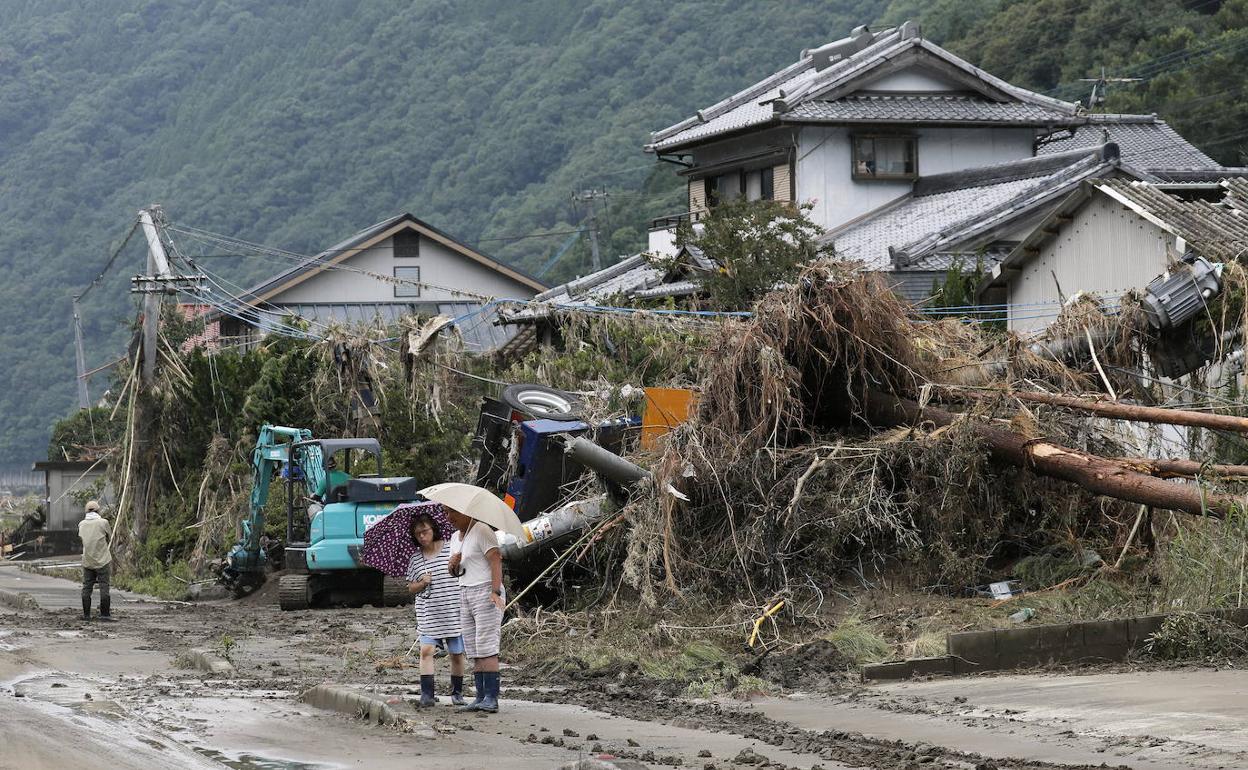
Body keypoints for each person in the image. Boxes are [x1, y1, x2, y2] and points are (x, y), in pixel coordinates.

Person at [446, 507, 505, 713]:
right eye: (446, 512)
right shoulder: (455, 537)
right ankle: (480, 695)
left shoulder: (481, 529)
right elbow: (457, 571)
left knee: (486, 644)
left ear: (466, 512)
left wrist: (495, 590)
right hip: (464, 591)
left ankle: (491, 696)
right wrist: (452, 565)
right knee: (472, 646)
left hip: (485, 589)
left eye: (453, 512)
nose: (449, 517)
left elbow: (495, 558)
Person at [405, 510, 465, 707]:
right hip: (429, 612)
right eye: (418, 534)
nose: (422, 536)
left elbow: (463, 572)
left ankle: (457, 693)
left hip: (452, 610)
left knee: (456, 653)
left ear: (434, 529)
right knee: (426, 651)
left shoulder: (451, 549)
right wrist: (422, 582)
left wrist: (455, 564)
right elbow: (410, 587)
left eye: (425, 531)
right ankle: (427, 695)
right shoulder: (415, 558)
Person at [77, 500, 113, 622]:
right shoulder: (103, 522)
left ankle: (86, 615)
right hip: (102, 560)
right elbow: (110, 536)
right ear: (98, 510)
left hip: (87, 561)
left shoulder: (81, 524)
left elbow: (82, 538)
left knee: (87, 588)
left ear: (86, 511)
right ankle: (105, 615)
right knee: (104, 587)